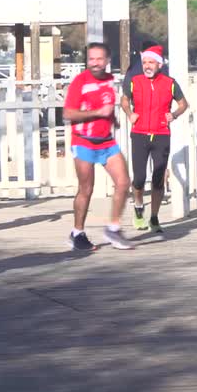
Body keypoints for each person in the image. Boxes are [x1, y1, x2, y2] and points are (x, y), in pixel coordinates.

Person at [63, 43, 134, 251]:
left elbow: (107, 106)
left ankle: (113, 228)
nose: (95, 63)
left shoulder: (111, 81)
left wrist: (112, 119)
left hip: (106, 140)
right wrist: (97, 114)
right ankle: (77, 233)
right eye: (91, 59)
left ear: (107, 60)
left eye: (99, 59)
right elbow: (68, 114)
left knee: (123, 182)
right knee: (86, 188)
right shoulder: (80, 82)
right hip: (83, 140)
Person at [120, 45, 188, 233]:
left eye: (151, 62)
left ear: (159, 64)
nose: (147, 66)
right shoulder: (134, 81)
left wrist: (173, 115)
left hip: (161, 134)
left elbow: (183, 104)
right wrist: (129, 113)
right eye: (144, 62)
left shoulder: (170, 83)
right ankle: (139, 207)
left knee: (158, 178)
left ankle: (155, 217)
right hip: (140, 134)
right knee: (140, 178)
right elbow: (124, 100)